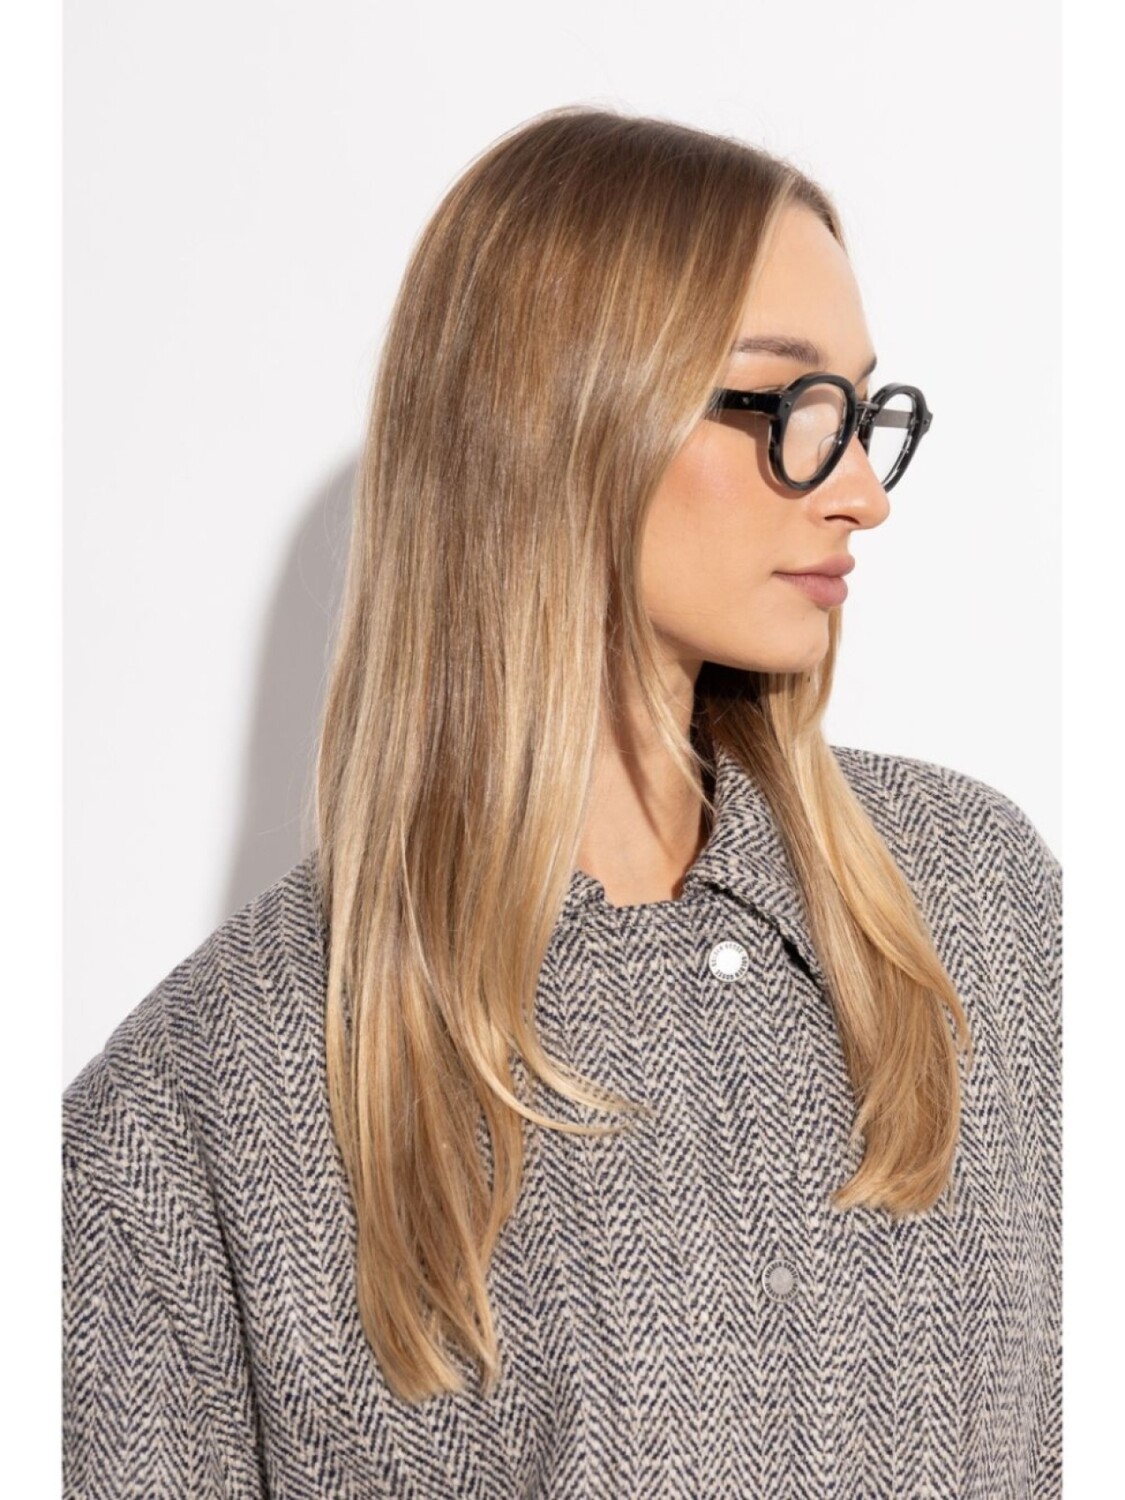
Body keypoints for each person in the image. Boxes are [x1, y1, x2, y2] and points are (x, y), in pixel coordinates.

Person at [62, 105, 1061, 1498]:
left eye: (861, 411)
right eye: (789, 406)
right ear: (562, 418)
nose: (858, 494)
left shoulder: (977, 904)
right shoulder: (197, 1113)